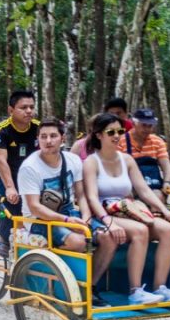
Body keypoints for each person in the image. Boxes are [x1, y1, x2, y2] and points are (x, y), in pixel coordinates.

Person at [82, 113, 170, 305]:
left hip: (128, 209)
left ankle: (160, 287)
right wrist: (107, 221)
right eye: (111, 132)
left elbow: (144, 191)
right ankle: (135, 290)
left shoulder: (127, 160)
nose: (116, 136)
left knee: (168, 229)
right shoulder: (92, 162)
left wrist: (165, 212)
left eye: (120, 131)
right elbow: (91, 197)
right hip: (104, 212)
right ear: (99, 135)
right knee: (140, 231)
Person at [17, 119, 118, 300]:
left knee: (108, 237)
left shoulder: (72, 160)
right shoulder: (29, 167)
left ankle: (90, 287)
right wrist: (67, 221)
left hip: (70, 212)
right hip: (39, 220)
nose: (48, 141)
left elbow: (80, 195)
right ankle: (72, 289)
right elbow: (35, 207)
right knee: (79, 241)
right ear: (38, 139)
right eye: (44, 137)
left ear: (62, 138)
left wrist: (86, 216)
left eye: (53, 136)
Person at [0, 90, 40, 253]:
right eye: (23, 107)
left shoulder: (39, 128)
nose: (29, 111)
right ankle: (3, 238)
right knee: (10, 206)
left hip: (28, 177)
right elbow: (1, 160)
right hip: (3, 177)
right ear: (11, 110)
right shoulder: (1, 130)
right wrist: (10, 187)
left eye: (31, 107)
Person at [119, 108, 170, 204]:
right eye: (144, 125)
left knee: (158, 197)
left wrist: (167, 182)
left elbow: (166, 165)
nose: (147, 129)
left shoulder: (157, 141)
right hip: (130, 188)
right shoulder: (121, 141)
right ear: (134, 123)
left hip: (153, 186)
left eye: (150, 126)